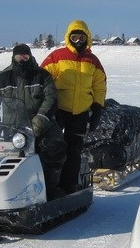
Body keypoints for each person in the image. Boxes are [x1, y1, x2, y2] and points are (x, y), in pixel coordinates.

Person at [0, 43, 67, 199]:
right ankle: (3, 192)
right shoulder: (1, 78)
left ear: (30, 57)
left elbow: (51, 99)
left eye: (25, 56)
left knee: (55, 147)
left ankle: (50, 188)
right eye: (19, 57)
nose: (22, 60)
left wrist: (39, 120)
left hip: (42, 124)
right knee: (6, 157)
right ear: (13, 58)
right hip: (12, 126)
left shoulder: (42, 76)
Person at [41, 20, 107, 193]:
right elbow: (43, 79)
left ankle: (69, 186)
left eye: (81, 37)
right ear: (69, 37)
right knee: (52, 147)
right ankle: (49, 186)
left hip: (80, 112)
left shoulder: (92, 60)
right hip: (58, 110)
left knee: (74, 150)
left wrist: (98, 108)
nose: (78, 40)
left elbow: (99, 85)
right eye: (74, 37)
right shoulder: (57, 56)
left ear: (87, 38)